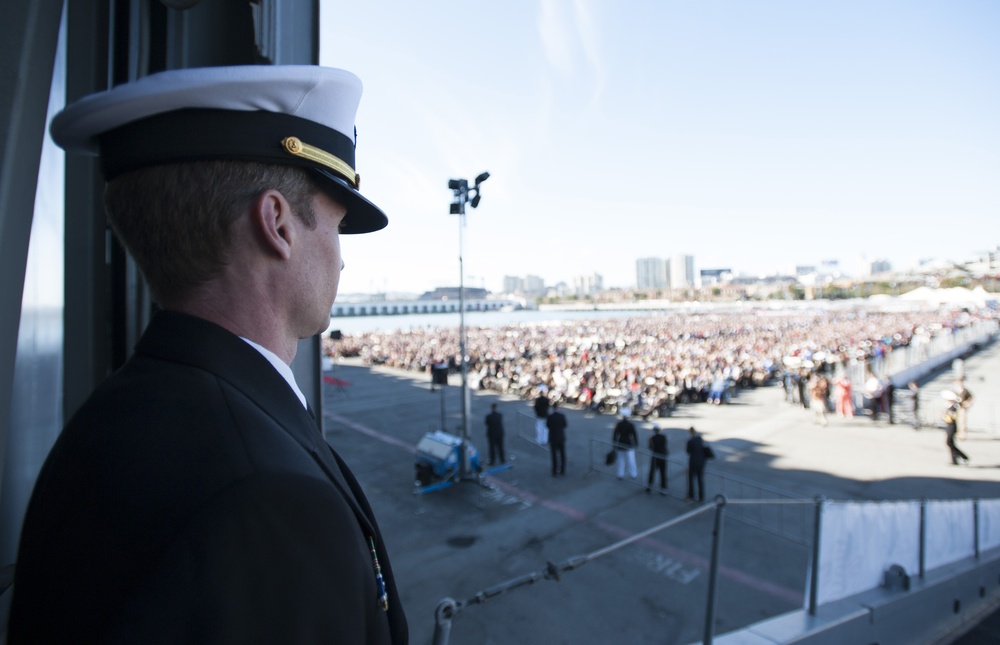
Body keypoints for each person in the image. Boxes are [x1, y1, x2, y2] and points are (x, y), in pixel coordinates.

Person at [9, 66, 408, 643]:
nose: (342, 260)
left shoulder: (112, 421)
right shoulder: (268, 497)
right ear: (277, 224)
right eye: (336, 226)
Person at [612, 408, 638, 480]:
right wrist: (636, 443)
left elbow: (615, 434)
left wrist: (614, 443)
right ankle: (633, 474)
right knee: (631, 460)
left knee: (621, 460)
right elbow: (634, 435)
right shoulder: (630, 425)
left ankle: (620, 474)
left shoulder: (619, 424)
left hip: (620, 443)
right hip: (629, 444)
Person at [686, 426, 709, 502]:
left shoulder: (690, 441)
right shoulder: (700, 439)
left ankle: (691, 495)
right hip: (701, 462)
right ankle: (701, 497)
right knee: (700, 479)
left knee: (691, 479)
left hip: (693, 462)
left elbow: (688, 451)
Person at [546, 401, 568, 475]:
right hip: (560, 436)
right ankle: (562, 469)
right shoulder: (562, 416)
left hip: (553, 437)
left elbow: (548, 425)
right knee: (562, 454)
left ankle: (554, 470)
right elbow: (565, 425)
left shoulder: (550, 417)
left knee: (554, 454)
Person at [646, 424, 668, 495]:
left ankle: (649, 486)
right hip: (662, 456)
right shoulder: (663, 437)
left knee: (652, 472)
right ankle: (663, 489)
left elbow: (651, 447)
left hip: (655, 457)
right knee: (663, 473)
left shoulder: (652, 438)